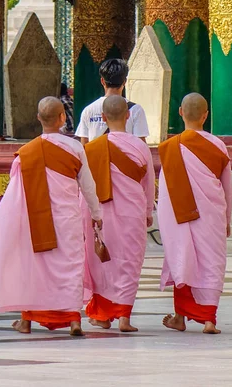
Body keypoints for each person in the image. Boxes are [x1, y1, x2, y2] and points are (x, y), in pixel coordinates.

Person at [0, 97, 102, 336]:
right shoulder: (76, 148)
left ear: (38, 118)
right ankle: (73, 319)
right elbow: (88, 186)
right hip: (67, 220)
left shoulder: (25, 154)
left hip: (35, 221)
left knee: (32, 267)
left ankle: (27, 320)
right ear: (62, 119)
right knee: (70, 267)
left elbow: (15, 193)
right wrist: (96, 213)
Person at [157, 93, 232, 335]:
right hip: (211, 216)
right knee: (211, 263)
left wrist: (168, 225)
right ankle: (209, 320)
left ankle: (181, 317)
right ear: (205, 115)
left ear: (180, 112)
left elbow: (166, 194)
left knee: (183, 257)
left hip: (180, 216)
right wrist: (227, 220)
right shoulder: (218, 145)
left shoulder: (170, 147)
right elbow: (227, 187)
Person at [82, 95, 155, 332]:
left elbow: (84, 187)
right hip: (132, 213)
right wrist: (147, 212)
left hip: (101, 213)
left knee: (102, 263)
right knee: (129, 262)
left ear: (103, 118)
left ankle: (102, 315)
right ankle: (124, 316)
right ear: (128, 116)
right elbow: (148, 184)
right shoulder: (141, 146)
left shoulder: (91, 149)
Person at [75, 58, 149, 144]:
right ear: (124, 82)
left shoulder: (88, 110)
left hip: (97, 157)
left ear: (102, 81)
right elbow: (141, 145)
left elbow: (84, 145)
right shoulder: (136, 110)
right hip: (124, 157)